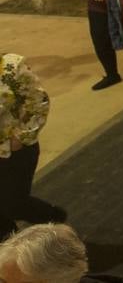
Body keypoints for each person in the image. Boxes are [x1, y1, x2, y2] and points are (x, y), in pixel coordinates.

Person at [0, 55, 66, 239]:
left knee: (13, 203)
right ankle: (9, 245)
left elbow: (38, 101)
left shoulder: (11, 67)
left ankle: (54, 218)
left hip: (15, 152)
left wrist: (22, 136)